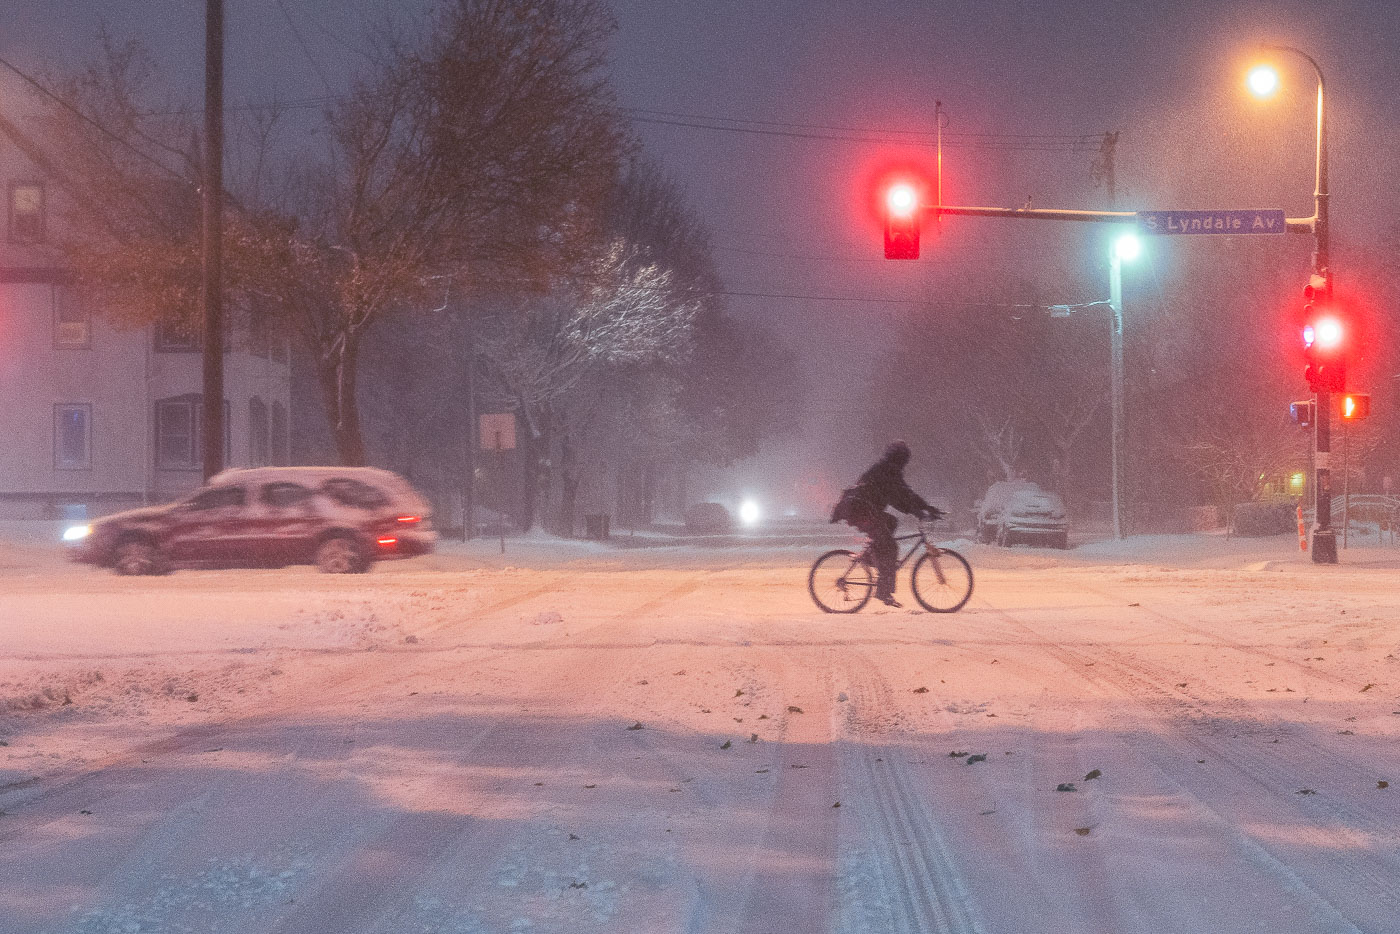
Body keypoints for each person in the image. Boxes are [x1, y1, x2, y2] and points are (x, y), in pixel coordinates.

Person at [830, 441, 943, 607]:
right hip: (861, 511)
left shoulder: (888, 469)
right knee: (890, 547)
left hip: (864, 510)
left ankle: (873, 556)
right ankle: (884, 592)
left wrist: (926, 508)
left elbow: (903, 494)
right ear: (900, 458)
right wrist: (920, 510)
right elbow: (900, 496)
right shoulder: (887, 471)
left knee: (891, 522)